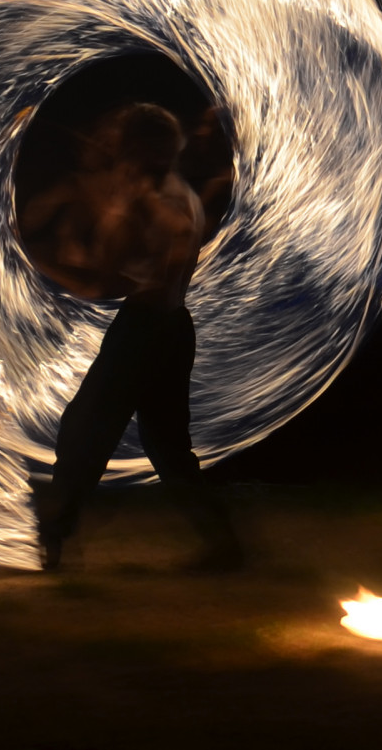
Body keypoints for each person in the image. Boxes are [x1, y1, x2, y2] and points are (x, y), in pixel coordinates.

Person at [26, 102, 241, 571]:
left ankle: (54, 535)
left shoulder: (160, 198)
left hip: (145, 330)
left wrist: (50, 260)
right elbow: (124, 269)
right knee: (166, 445)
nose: (112, 148)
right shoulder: (170, 191)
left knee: (85, 428)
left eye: (122, 142)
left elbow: (116, 275)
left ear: (142, 148)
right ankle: (224, 543)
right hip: (172, 329)